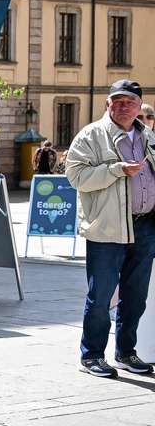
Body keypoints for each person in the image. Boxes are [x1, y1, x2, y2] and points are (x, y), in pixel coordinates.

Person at [65, 79, 155, 378]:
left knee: (136, 296)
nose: (123, 106)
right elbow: (76, 177)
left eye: (130, 101)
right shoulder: (90, 135)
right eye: (118, 101)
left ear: (139, 106)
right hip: (107, 228)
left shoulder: (149, 136)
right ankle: (91, 355)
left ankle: (126, 352)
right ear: (108, 104)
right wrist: (116, 170)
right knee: (101, 297)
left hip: (145, 227)